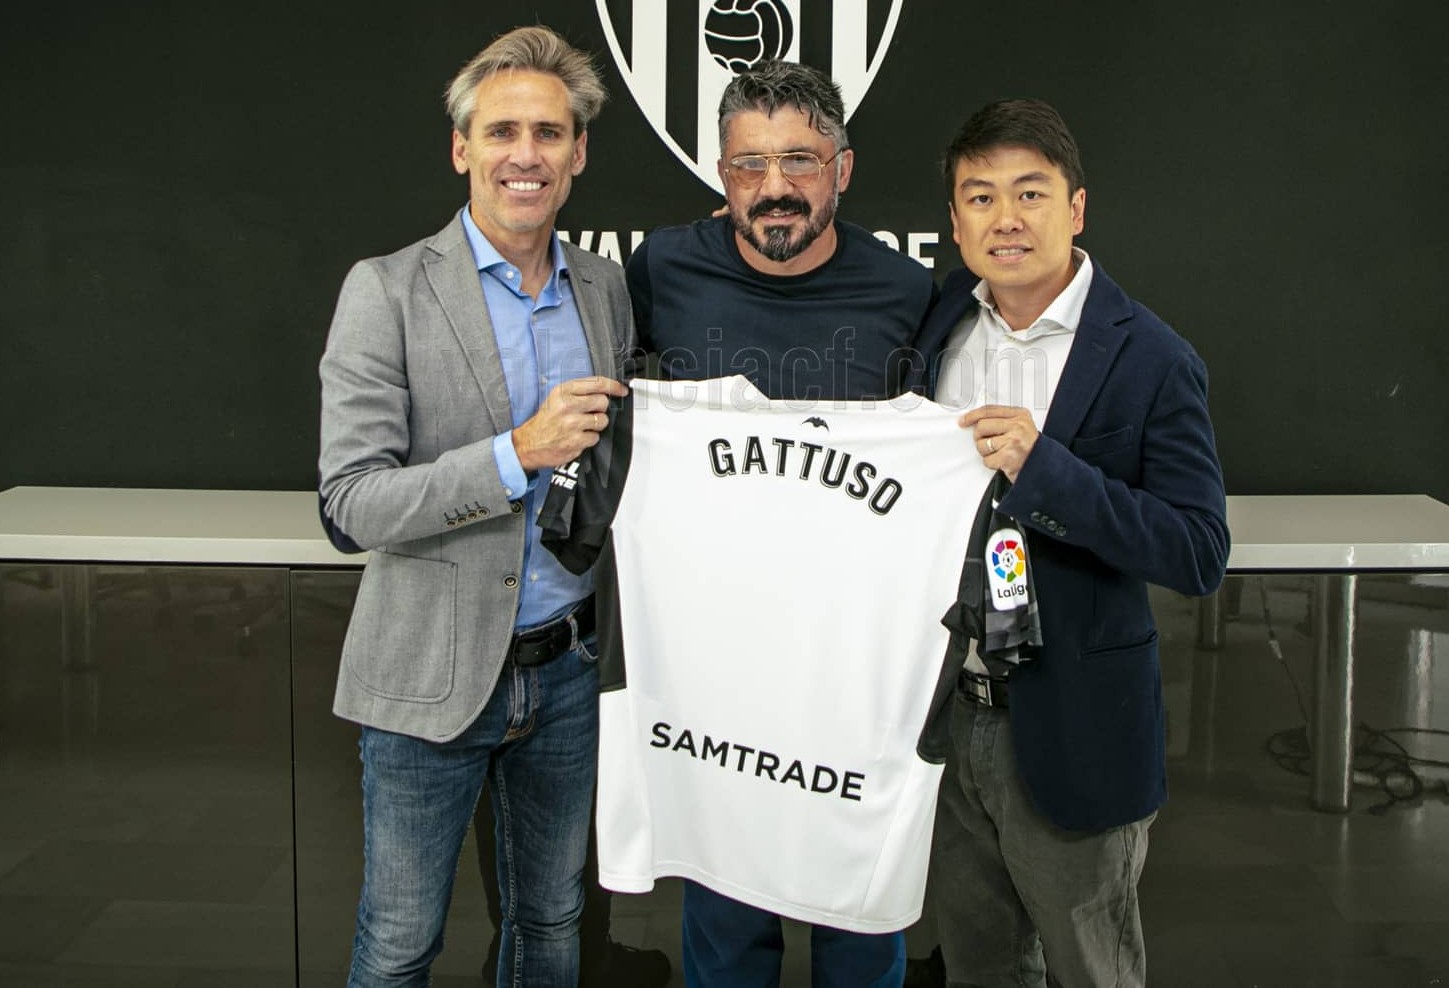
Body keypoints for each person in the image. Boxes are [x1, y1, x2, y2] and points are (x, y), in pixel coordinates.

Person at [317, 26, 637, 987]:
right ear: (463, 148)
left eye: (548, 132)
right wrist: (516, 455)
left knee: (551, 927)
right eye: (502, 132)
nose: (525, 155)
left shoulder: (606, 289)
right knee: (400, 943)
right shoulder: (385, 291)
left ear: (578, 153)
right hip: (427, 673)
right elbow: (350, 505)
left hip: (569, 669)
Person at [626, 59, 938, 988]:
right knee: (724, 926)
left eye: (800, 161)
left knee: (861, 927)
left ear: (843, 169)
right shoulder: (660, 269)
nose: (773, 188)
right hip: (713, 667)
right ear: (720, 173)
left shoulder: (905, 291)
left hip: (856, 666)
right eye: (747, 164)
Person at [911, 98, 1230, 987]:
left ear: (1076, 208)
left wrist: (1045, 471)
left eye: (1029, 193)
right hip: (948, 717)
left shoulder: (1151, 356)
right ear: (954, 220)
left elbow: (1198, 551)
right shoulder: (938, 328)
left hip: (1074, 725)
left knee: (1089, 967)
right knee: (976, 965)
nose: (1004, 219)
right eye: (979, 197)